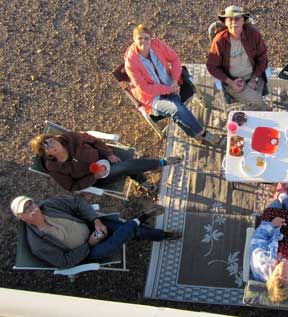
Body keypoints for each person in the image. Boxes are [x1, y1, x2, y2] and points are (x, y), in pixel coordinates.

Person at [10, 194, 181, 268]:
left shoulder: (48, 205)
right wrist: (89, 244)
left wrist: (96, 220)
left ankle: (153, 230)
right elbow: (64, 262)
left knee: (129, 232)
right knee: (113, 243)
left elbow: (76, 202)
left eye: (30, 203)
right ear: (21, 217)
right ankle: (142, 221)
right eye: (25, 209)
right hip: (87, 251)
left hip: (92, 227)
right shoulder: (37, 244)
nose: (31, 208)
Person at [124, 24, 219, 145]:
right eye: (139, 38)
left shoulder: (156, 44)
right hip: (152, 98)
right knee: (176, 108)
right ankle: (203, 133)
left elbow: (174, 59)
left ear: (151, 38)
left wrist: (174, 80)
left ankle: (193, 135)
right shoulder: (131, 62)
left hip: (171, 85)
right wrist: (169, 89)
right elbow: (144, 88)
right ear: (134, 39)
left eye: (146, 38)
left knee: (176, 111)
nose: (143, 41)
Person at [30, 132, 181, 192]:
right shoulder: (55, 168)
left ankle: (144, 181)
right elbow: (71, 186)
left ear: (54, 138)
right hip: (97, 177)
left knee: (126, 167)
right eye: (47, 147)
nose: (52, 145)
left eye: (50, 141)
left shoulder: (69, 138)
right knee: (127, 166)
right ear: (46, 154)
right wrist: (94, 177)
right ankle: (161, 163)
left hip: (104, 158)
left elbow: (94, 140)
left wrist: (108, 154)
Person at [206, 5, 269, 110]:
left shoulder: (253, 34)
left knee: (254, 104)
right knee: (257, 103)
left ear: (243, 20)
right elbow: (211, 66)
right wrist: (230, 82)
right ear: (225, 22)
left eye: (237, 19)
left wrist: (254, 79)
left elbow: (263, 57)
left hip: (254, 77)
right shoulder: (219, 40)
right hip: (234, 82)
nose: (233, 22)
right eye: (230, 19)